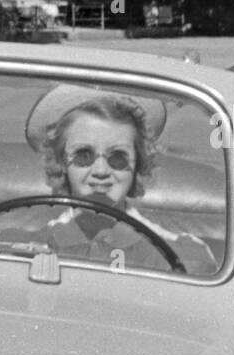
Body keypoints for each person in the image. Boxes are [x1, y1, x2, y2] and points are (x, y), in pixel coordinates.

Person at [12, 85, 216, 274]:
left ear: (138, 163)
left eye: (117, 157)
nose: (101, 170)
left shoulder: (180, 256)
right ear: (61, 163)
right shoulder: (27, 247)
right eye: (84, 155)